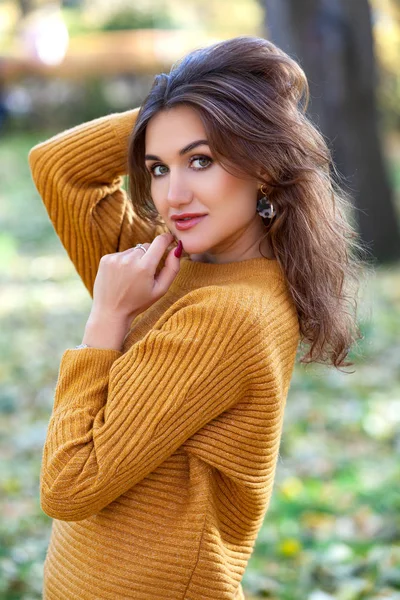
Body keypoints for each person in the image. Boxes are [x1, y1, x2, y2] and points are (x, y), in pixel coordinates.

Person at [28, 35, 366, 600]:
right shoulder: (173, 264)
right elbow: (59, 167)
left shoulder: (230, 315)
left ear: (262, 163)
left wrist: (106, 319)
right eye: (158, 168)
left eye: (201, 161)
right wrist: (182, 103)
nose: (173, 195)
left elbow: (69, 484)